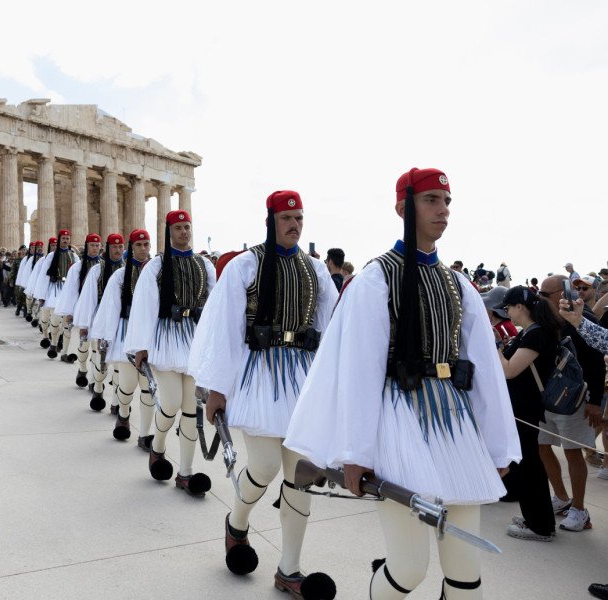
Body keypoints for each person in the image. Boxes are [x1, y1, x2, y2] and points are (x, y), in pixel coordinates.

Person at [285, 168, 520, 599]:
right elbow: (359, 371)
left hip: (456, 428)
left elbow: (483, 369)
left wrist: (498, 446)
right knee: (409, 569)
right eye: (431, 200)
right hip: (399, 423)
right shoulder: (376, 278)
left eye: (447, 202)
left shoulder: (458, 285)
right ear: (402, 208)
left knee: (466, 575)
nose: (443, 210)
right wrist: (356, 453)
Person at [189, 191, 337, 594]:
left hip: (301, 376)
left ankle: (289, 569)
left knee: (301, 475)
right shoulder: (245, 265)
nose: (295, 224)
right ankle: (237, 521)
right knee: (267, 465)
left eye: (300, 218)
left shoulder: (316, 270)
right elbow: (224, 330)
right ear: (271, 220)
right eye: (288, 217)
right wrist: (217, 390)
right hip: (258, 374)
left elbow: (331, 329)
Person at [125, 209, 217, 497]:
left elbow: (214, 310)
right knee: (173, 402)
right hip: (165, 338)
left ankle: (186, 473)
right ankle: (158, 445)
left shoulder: (206, 266)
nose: (184, 232)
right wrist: (141, 346)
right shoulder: (156, 266)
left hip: (194, 340)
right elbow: (144, 306)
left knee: (192, 410)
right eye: (178, 228)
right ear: (169, 231)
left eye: (187, 226)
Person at [536, 275, 604, 532]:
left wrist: (595, 401)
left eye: (545, 294)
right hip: (550, 396)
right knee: (542, 447)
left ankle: (579, 509)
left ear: (561, 293)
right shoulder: (548, 315)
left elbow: (597, 359)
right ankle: (562, 499)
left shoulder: (581, 316)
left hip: (577, 397)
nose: (540, 299)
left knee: (572, 451)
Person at [495, 286, 559, 541]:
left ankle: (540, 525)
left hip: (525, 409)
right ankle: (536, 518)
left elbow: (510, 369)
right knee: (526, 464)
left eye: (508, 307)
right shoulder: (530, 333)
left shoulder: (537, 335)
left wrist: (495, 346)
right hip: (521, 407)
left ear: (519, 307)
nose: (507, 312)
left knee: (529, 464)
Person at [91, 230, 156, 448]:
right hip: (126, 332)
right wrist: (104, 337)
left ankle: (145, 435)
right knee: (127, 385)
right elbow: (110, 308)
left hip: (150, 334)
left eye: (146, 244)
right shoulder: (119, 276)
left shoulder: (158, 272)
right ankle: (124, 415)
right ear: (132, 247)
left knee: (149, 388)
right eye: (139, 245)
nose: (143, 249)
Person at [74, 233, 126, 409]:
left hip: (121, 321)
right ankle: (97, 388)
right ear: (108, 248)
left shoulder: (129, 270)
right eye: (114, 247)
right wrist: (84, 325)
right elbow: (88, 299)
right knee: (101, 358)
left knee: (120, 362)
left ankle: (117, 402)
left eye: (121, 247)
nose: (118, 250)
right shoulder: (97, 270)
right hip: (101, 318)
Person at [55, 234, 103, 380]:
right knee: (84, 344)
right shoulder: (77, 267)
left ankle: (95, 380)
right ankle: (82, 370)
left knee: (97, 348)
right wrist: (70, 312)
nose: (94, 248)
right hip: (82, 309)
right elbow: (71, 290)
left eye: (97, 245)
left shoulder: (104, 266)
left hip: (99, 310)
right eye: (92, 245)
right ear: (87, 246)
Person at [31, 233, 76, 356]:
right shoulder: (51, 256)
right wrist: (42, 295)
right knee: (55, 320)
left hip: (68, 291)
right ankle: (54, 343)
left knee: (67, 323)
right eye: (63, 239)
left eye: (67, 239)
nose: (66, 241)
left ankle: (65, 350)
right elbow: (44, 277)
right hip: (55, 289)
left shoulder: (74, 256)